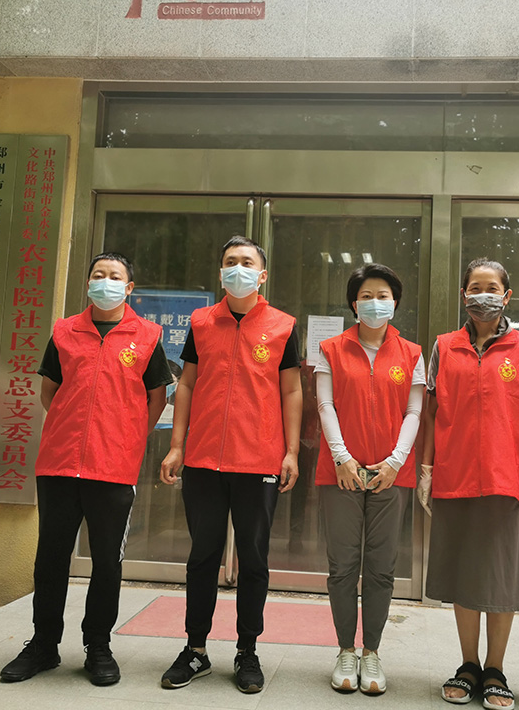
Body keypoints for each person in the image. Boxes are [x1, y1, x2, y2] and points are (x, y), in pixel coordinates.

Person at [0, 252, 172, 686]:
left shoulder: (147, 335)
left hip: (113, 468)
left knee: (107, 562)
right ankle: (44, 645)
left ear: (128, 288)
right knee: (50, 558)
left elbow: (156, 398)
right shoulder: (64, 331)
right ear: (89, 282)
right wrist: (71, 429)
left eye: (115, 276)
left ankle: (98, 646)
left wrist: (126, 437)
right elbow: (49, 391)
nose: (105, 281)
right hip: (58, 464)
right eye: (98, 274)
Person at [159, 236, 302, 694]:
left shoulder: (283, 326)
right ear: (220, 272)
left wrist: (291, 451)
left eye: (246, 262)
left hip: (259, 459)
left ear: (262, 275)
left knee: (254, 559)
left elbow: (291, 390)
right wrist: (177, 445)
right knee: (202, 556)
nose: (237, 268)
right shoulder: (202, 322)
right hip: (203, 458)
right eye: (229, 262)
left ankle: (247, 650)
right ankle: (195, 649)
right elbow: (186, 384)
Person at [418, 258, 519, 708]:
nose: (483, 295)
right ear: (463, 295)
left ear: (507, 296)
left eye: (492, 288)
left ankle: (495, 668)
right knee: (464, 574)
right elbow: (432, 413)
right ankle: (468, 664)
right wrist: (427, 469)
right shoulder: (444, 346)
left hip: (505, 478)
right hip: (454, 476)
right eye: (475, 287)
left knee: (499, 576)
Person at [314, 264, 426, 695]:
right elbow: (325, 406)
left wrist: (395, 462)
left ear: (395, 303)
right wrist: (342, 458)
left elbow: (414, 411)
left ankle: (372, 652)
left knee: (381, 568)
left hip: (391, 475)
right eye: (366, 296)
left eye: (383, 296)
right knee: (342, 566)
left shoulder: (412, 353)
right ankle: (345, 649)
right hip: (340, 473)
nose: (375, 303)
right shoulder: (330, 349)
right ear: (353, 303)